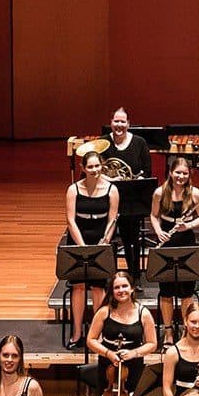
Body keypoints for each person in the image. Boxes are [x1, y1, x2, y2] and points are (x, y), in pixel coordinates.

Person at [147, 156, 199, 337]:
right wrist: (158, 231)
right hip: (166, 238)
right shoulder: (160, 192)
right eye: (177, 173)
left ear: (189, 174)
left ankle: (186, 331)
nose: (180, 176)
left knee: (185, 290)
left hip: (186, 239)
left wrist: (187, 226)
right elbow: (153, 215)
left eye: (184, 173)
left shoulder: (195, 193)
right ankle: (168, 332)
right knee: (166, 290)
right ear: (170, 173)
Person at [63, 147, 119, 345]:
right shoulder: (74, 189)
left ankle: (97, 334)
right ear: (83, 168)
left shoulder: (112, 189)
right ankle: (78, 333)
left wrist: (104, 242)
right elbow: (71, 221)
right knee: (78, 287)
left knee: (98, 288)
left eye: (97, 166)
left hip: (101, 240)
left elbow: (112, 220)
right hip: (78, 239)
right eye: (90, 167)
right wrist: (83, 247)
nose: (94, 170)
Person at [98, 107, 154, 273]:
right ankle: (104, 272)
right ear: (111, 123)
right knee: (106, 235)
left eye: (123, 121)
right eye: (116, 121)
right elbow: (95, 170)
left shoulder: (139, 142)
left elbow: (147, 170)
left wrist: (137, 180)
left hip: (132, 199)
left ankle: (134, 274)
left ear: (128, 123)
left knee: (132, 239)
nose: (119, 125)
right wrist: (110, 179)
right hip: (107, 197)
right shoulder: (102, 142)